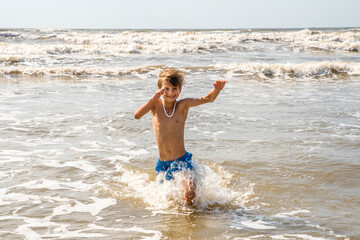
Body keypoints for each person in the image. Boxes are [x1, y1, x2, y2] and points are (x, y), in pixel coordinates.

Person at [134, 68, 227, 205]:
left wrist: (217, 89)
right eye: (166, 89)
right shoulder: (155, 106)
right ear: (159, 89)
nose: (171, 93)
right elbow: (137, 115)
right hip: (163, 164)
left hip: (181, 161)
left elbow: (208, 99)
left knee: (190, 193)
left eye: (175, 88)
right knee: (167, 199)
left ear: (180, 89)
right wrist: (153, 99)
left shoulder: (183, 105)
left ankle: (187, 221)